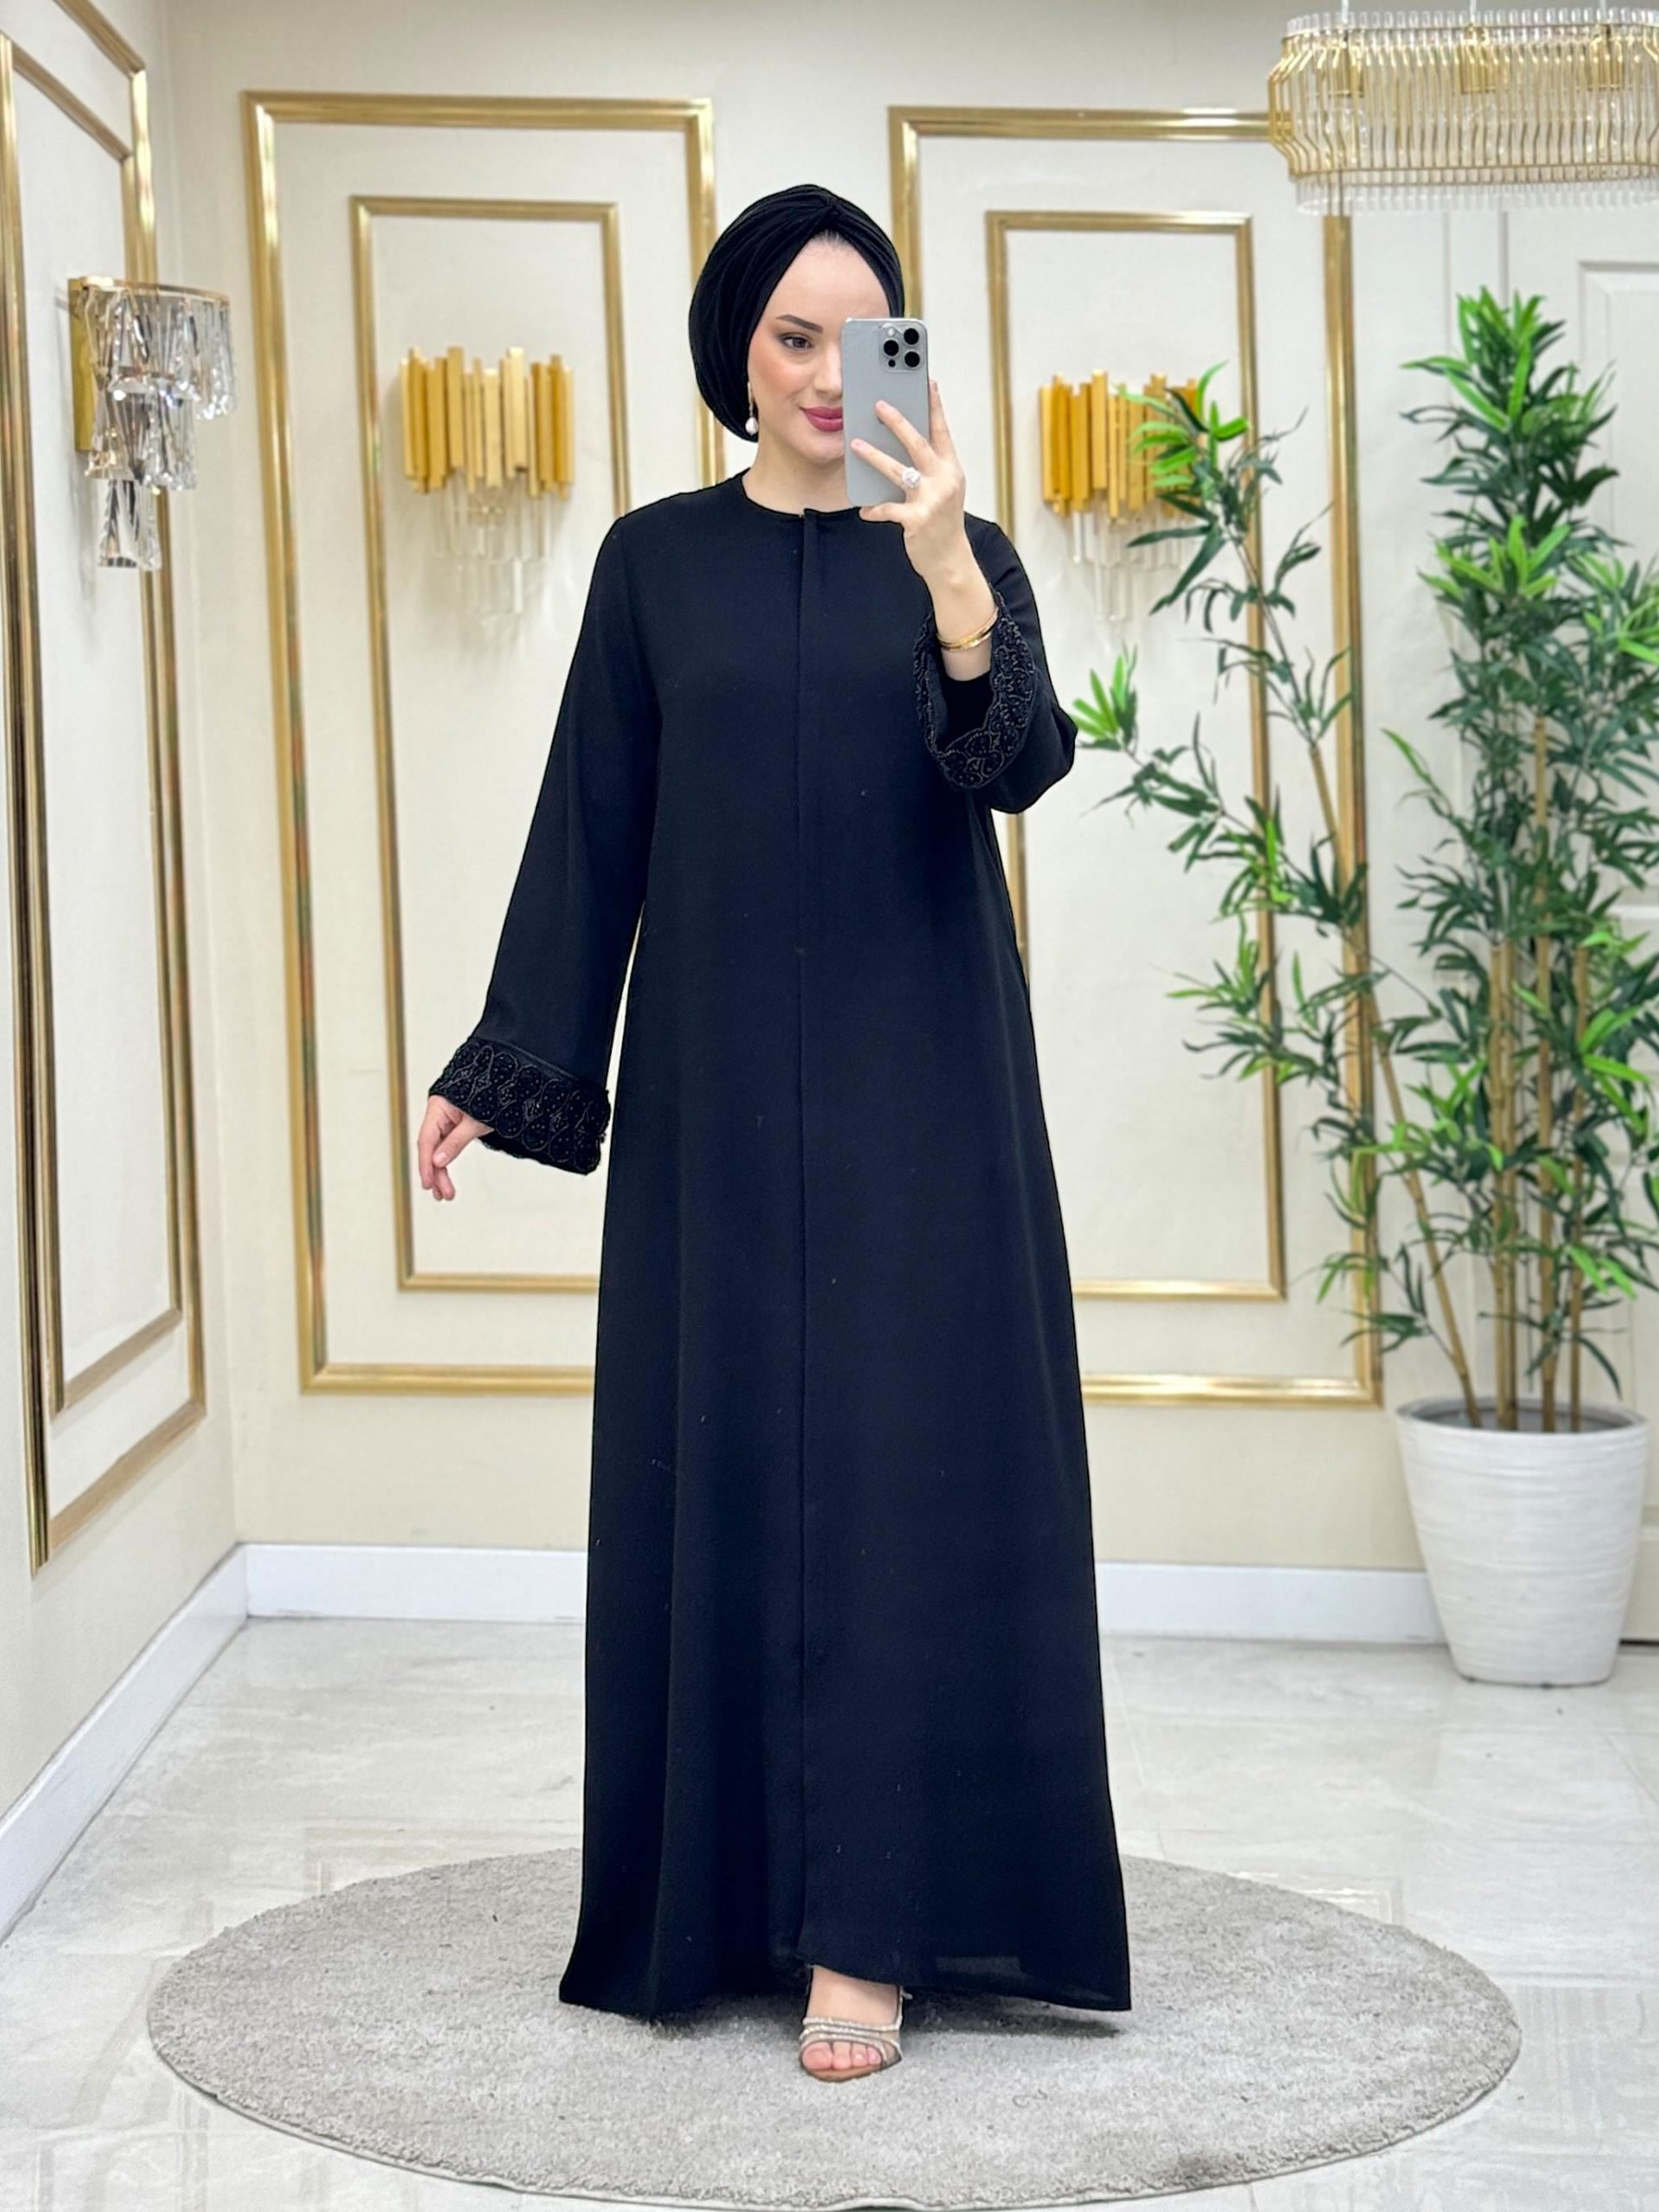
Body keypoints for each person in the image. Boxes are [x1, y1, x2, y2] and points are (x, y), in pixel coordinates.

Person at [417, 182, 1132, 2082]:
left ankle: (872, 1935)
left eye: (859, 336)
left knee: (901, 1478)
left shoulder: (958, 549)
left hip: (926, 1086)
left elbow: (1021, 763)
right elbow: (592, 821)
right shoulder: (654, 563)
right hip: (715, 1095)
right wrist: (506, 1060)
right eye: (791, 336)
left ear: (906, 353)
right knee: (724, 1458)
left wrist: (951, 571)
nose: (825, 373)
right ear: (737, 350)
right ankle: (725, 1900)